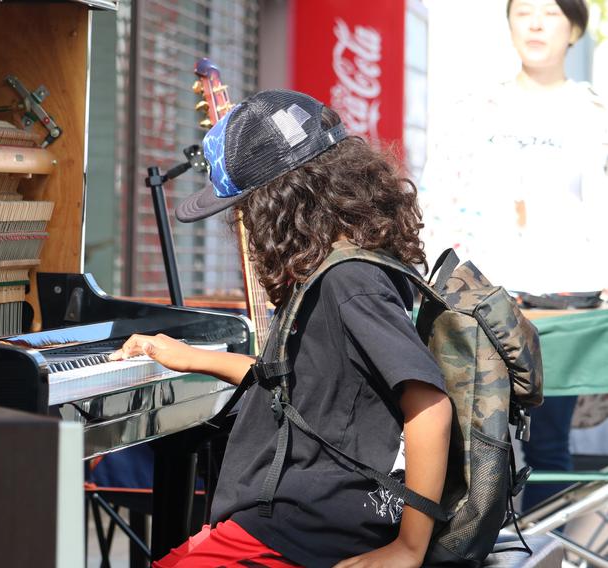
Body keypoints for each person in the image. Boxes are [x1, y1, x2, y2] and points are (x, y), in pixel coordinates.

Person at [110, 89, 452, 568]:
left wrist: (408, 548)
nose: (244, 224)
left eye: (247, 209)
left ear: (280, 205)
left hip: (309, 524)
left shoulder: (349, 280)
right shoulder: (339, 269)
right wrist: (188, 356)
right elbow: (304, 381)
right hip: (292, 515)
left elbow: (430, 403)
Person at [419, 0, 608, 510]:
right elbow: (438, 199)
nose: (536, 24)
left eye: (550, 13)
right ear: (509, 26)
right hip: (489, 305)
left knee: (550, 444)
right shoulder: (477, 110)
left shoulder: (595, 112)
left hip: (572, 303)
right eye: (524, 12)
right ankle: (488, 550)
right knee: (481, 442)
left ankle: (549, 554)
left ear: (573, 28)